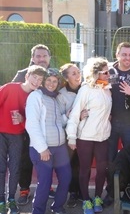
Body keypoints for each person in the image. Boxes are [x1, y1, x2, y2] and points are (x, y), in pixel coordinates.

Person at [66, 57, 112, 214]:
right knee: (84, 169)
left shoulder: (107, 89)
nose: (108, 74)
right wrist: (72, 137)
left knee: (101, 169)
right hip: (85, 137)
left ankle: (97, 197)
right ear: (95, 73)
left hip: (103, 136)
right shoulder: (85, 89)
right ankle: (86, 200)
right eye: (105, 72)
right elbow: (75, 114)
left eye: (109, 71)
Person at [11, 44, 55, 205]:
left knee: (47, 157)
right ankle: (24, 190)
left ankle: (47, 187)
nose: (41, 59)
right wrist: (19, 116)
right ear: (32, 58)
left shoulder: (53, 74)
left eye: (44, 56)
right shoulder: (23, 74)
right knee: (24, 159)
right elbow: (14, 96)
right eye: (38, 56)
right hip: (24, 126)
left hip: (47, 126)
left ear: (49, 58)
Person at [0, 65, 47, 214]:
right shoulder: (10, 88)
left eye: (40, 79)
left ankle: (11, 199)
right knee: (1, 169)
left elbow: (35, 120)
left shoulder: (36, 96)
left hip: (18, 135)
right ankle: (1, 200)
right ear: (27, 76)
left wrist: (22, 118)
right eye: (34, 77)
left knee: (15, 168)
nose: (37, 81)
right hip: (0, 133)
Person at [25, 68, 71, 214]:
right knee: (45, 183)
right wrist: (42, 148)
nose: (51, 83)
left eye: (55, 81)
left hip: (60, 147)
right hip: (43, 149)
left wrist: (68, 117)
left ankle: (57, 207)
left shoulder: (55, 98)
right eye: (49, 80)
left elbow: (58, 122)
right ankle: (38, 211)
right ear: (44, 82)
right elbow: (31, 124)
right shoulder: (35, 96)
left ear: (58, 83)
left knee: (66, 178)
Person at [56, 63, 83, 208]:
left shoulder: (86, 89)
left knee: (83, 165)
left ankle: (83, 192)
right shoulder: (61, 94)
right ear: (66, 78)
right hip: (69, 136)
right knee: (72, 165)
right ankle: (73, 192)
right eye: (73, 73)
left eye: (78, 72)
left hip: (86, 135)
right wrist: (69, 116)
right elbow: (58, 118)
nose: (78, 75)